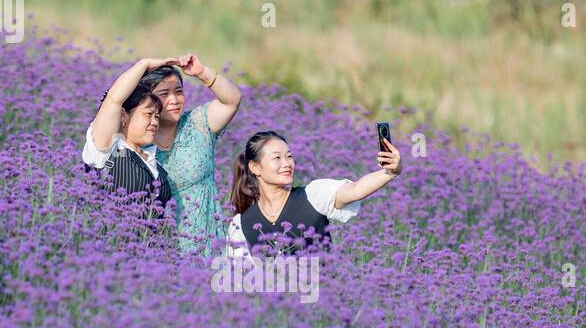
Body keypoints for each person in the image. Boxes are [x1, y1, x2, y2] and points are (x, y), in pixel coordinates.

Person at [226, 130, 403, 258]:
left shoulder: (314, 195)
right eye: (277, 158)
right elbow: (242, 283)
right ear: (255, 167)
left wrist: (391, 172)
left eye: (289, 156)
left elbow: (355, 190)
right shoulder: (241, 224)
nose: (287, 163)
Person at [140, 56, 241, 254]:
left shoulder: (198, 123)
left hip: (210, 244)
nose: (174, 100)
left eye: (178, 92)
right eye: (164, 94)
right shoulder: (138, 141)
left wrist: (202, 73)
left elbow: (232, 100)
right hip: (163, 252)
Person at [82, 58, 176, 218]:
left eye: (157, 117)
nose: (155, 122)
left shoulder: (155, 162)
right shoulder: (107, 150)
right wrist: (144, 64)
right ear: (124, 116)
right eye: (148, 114)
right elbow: (114, 100)